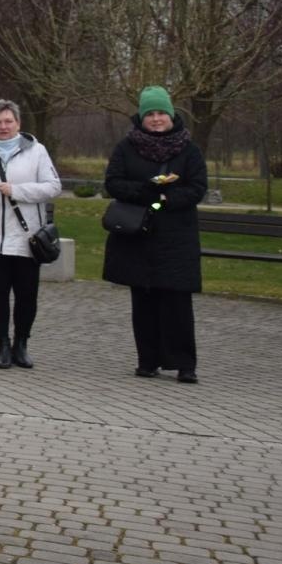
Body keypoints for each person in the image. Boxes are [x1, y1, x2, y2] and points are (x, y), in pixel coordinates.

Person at [102, 86, 208, 384]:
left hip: (177, 237)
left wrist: (165, 199)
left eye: (162, 113)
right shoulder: (126, 147)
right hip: (139, 236)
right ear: (141, 117)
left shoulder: (189, 150)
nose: (157, 119)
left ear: (171, 115)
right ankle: (147, 360)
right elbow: (114, 183)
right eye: (150, 114)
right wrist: (148, 191)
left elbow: (197, 187)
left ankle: (184, 363)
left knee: (177, 302)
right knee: (143, 300)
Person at [0, 99, 61, 370]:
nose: (3, 127)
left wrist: (17, 191)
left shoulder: (37, 151)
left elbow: (53, 187)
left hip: (27, 238)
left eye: (8, 121)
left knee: (27, 295)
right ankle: (2, 345)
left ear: (18, 123)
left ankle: (21, 344)